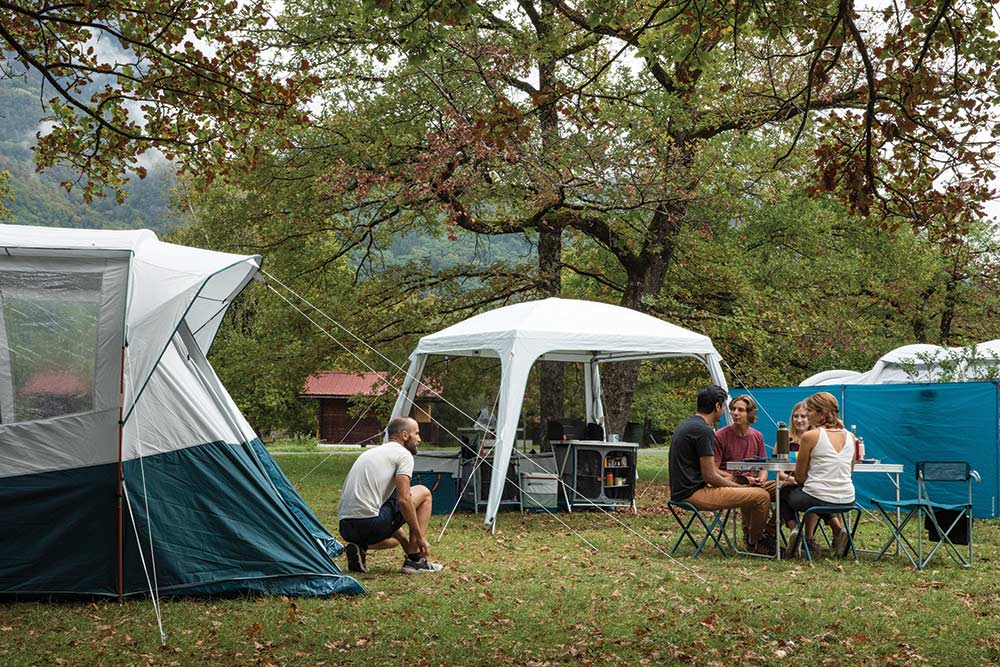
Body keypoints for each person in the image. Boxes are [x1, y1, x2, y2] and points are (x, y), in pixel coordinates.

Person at [669, 385, 772, 555]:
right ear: (717, 406)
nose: (728, 411)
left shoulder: (688, 424)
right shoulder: (704, 431)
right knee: (761, 496)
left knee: (769, 490)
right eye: (725, 406)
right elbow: (710, 476)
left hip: (683, 490)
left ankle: (764, 536)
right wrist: (741, 488)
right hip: (693, 493)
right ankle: (756, 542)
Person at [338, 415, 443, 574]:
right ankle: (415, 561)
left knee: (395, 540)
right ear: (405, 435)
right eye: (417, 434)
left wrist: (404, 540)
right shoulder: (403, 454)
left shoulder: (373, 452)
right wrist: (420, 537)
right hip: (370, 524)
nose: (419, 439)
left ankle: (359, 549)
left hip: (346, 528)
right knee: (424, 493)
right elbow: (404, 499)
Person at [778, 392, 856, 558]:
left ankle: (795, 530)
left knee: (784, 491)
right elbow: (850, 470)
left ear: (822, 413)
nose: (807, 415)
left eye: (810, 412)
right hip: (848, 498)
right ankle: (837, 529)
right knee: (820, 496)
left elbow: (799, 478)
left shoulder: (810, 436)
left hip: (818, 497)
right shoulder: (851, 436)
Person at [714, 395, 777, 541]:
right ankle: (754, 539)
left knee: (785, 489)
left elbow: (763, 466)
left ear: (750, 414)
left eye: (740, 410)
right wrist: (746, 479)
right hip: (733, 482)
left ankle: (768, 530)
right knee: (757, 494)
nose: (735, 413)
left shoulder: (757, 436)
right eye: (733, 409)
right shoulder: (720, 436)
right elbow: (713, 470)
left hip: (754, 482)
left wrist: (761, 479)